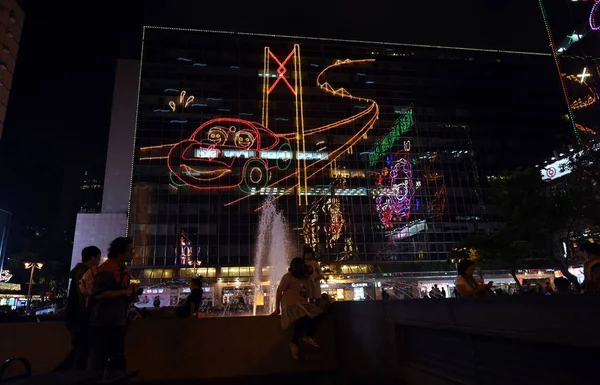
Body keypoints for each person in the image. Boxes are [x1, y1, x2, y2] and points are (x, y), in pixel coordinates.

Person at [88, 237, 137, 371]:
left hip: (118, 320)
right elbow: (99, 294)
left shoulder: (124, 270)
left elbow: (119, 294)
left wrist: (130, 296)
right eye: (130, 250)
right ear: (120, 252)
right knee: (101, 360)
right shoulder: (106, 270)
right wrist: (125, 291)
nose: (133, 253)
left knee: (116, 358)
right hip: (102, 321)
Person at [55, 246, 101, 371]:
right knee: (82, 348)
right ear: (92, 257)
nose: (99, 260)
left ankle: (63, 372)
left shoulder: (79, 270)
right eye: (98, 257)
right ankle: (70, 374)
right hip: (79, 315)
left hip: (75, 315)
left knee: (81, 347)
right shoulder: (84, 272)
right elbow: (84, 294)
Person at [272, 257, 323, 360]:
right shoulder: (288, 277)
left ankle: (306, 337)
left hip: (301, 303)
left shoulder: (304, 279)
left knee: (318, 313)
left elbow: (309, 293)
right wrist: (277, 309)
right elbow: (279, 291)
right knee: (303, 316)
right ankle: (296, 342)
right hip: (290, 303)